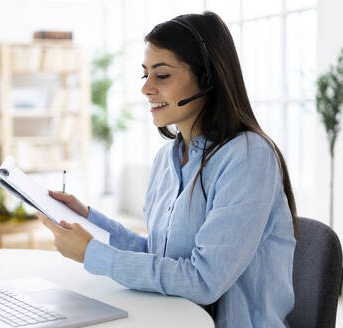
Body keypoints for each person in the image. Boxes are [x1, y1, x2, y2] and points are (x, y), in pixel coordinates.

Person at [39, 11, 298, 328]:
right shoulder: (168, 158)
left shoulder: (248, 157)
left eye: (162, 76)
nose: (146, 89)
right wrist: (88, 218)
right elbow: (156, 254)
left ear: (208, 78)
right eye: (145, 74)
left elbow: (204, 281)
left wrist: (94, 254)